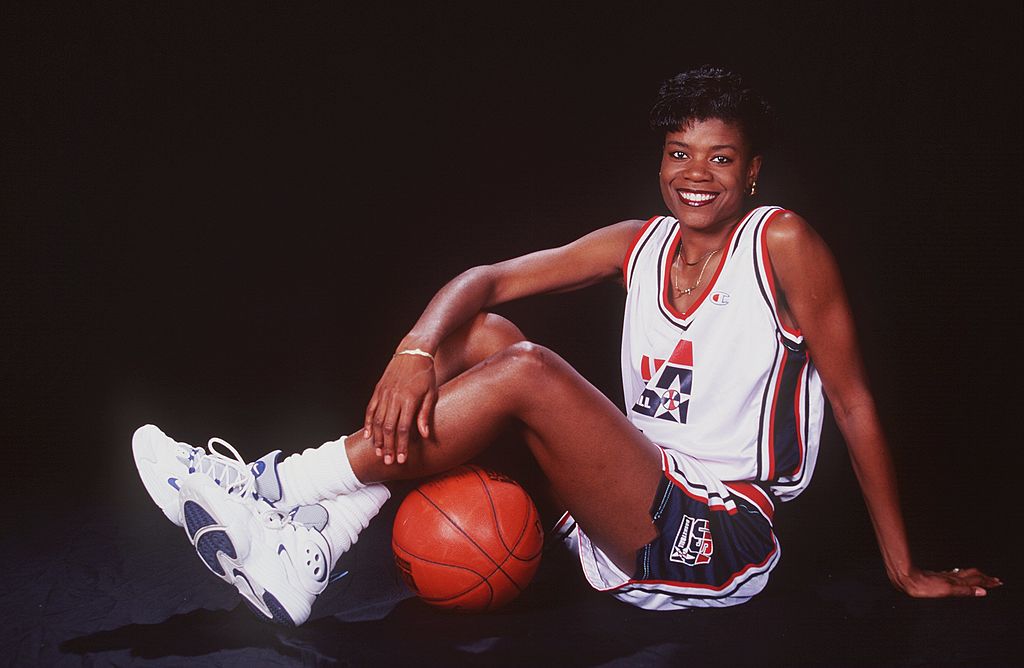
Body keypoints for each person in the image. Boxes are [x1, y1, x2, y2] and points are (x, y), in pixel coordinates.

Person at [132, 66, 1000, 627]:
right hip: (620, 499)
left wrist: (905, 568)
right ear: (661, 160)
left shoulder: (782, 244)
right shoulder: (639, 242)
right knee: (482, 335)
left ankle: (278, 487)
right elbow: (488, 279)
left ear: (754, 171)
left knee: (529, 372)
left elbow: (853, 401)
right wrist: (414, 347)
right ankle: (315, 544)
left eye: (721, 159)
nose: (697, 174)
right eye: (679, 153)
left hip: (716, 532)